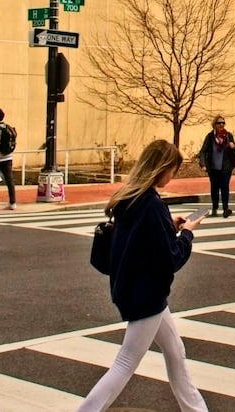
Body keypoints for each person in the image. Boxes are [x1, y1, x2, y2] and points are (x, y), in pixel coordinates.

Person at [76, 139, 206, 412]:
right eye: (172, 169)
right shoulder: (152, 205)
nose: (173, 176)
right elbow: (170, 258)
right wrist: (188, 234)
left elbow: (140, 238)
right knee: (125, 363)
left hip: (132, 287)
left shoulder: (130, 198)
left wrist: (169, 225)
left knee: (175, 353)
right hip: (146, 293)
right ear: (161, 168)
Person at [196, 116, 235, 217]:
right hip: (213, 168)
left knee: (225, 187)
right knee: (214, 188)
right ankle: (215, 207)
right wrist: (203, 164)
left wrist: (234, 147)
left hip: (226, 167)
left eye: (223, 123)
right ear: (214, 125)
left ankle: (225, 208)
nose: (221, 125)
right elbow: (203, 151)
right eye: (219, 123)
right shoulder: (210, 137)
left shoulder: (228, 136)